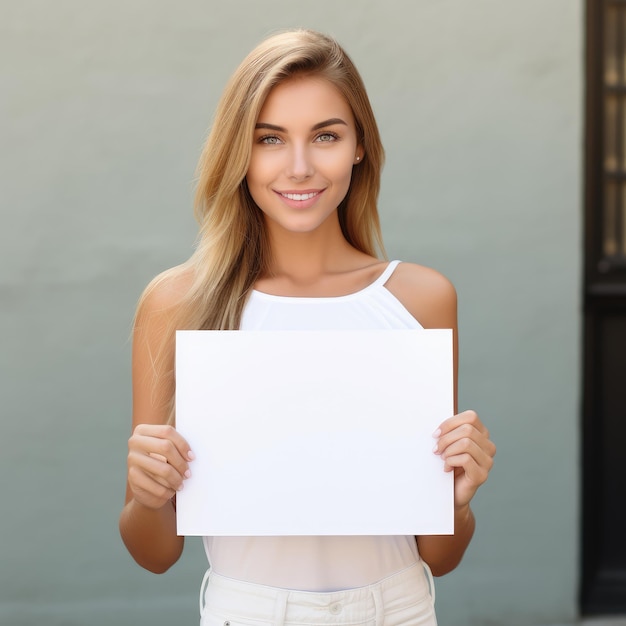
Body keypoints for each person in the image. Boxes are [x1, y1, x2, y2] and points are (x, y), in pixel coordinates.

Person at [119, 29, 496, 626]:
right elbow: (153, 553)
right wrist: (147, 492)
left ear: (359, 146)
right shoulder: (178, 303)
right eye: (269, 139)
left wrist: (459, 501)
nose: (299, 167)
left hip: (399, 607)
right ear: (238, 152)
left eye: (325, 135)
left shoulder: (422, 299)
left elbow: (440, 555)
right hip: (247, 611)